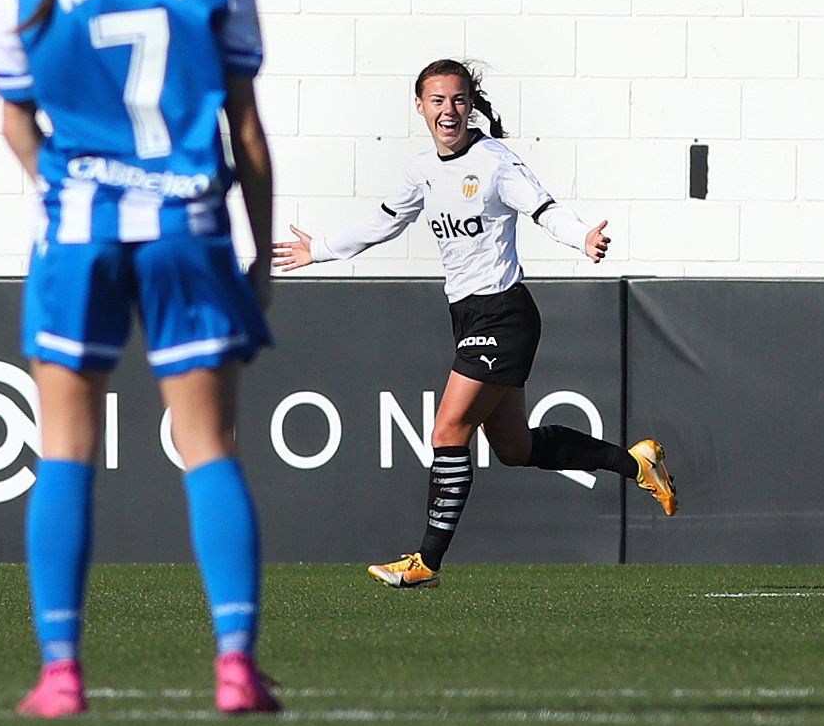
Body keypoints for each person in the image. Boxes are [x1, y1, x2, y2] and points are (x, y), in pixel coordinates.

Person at [0, 0, 280, 716]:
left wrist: (70, 191)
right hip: (186, 227)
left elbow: (15, 123)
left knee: (65, 451)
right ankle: (235, 664)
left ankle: (61, 673)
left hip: (79, 231)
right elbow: (248, 135)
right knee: (207, 448)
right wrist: (260, 254)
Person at [272, 59, 677, 589]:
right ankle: (637, 464)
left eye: (458, 99)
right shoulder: (422, 171)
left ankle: (427, 562)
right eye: (437, 100)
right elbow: (382, 222)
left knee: (447, 429)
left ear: (471, 105)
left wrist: (581, 237)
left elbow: (544, 208)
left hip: (504, 313)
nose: (448, 110)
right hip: (467, 316)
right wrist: (319, 250)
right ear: (420, 107)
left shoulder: (494, 162)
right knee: (514, 450)